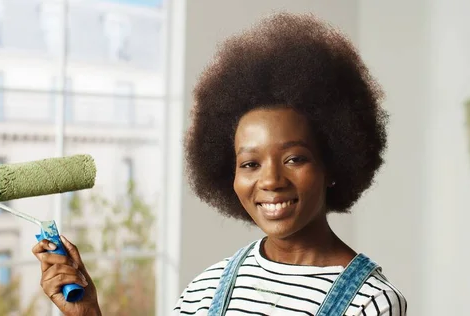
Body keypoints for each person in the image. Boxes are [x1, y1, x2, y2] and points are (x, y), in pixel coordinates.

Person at [32, 12, 407, 316]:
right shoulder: (208, 288)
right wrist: (88, 313)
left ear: (333, 164)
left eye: (294, 158)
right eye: (250, 164)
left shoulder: (370, 302)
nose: (272, 180)